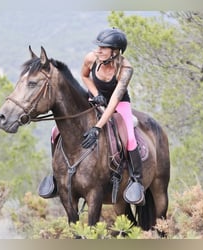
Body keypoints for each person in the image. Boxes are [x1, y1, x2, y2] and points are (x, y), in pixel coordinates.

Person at [38, 28, 145, 206]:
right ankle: (56, 177)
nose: (99, 50)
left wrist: (97, 127)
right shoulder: (91, 58)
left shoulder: (126, 69)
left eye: (104, 47)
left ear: (116, 51)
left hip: (118, 103)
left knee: (130, 138)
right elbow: (84, 76)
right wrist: (96, 94)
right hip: (94, 99)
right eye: (98, 46)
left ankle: (136, 181)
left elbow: (113, 103)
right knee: (55, 131)